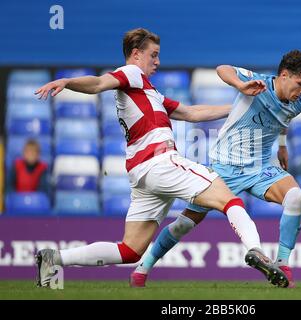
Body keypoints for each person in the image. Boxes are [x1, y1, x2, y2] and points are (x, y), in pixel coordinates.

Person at [34, 28, 288, 288]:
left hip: (142, 173)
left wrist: (239, 109)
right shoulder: (131, 73)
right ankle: (255, 250)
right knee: (229, 199)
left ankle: (54, 258)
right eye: (153, 55)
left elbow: (191, 112)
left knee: (130, 250)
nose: (157, 62)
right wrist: (67, 82)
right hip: (160, 162)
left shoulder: (147, 92)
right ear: (135, 54)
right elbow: (99, 83)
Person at [135, 50, 301, 288]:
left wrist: (282, 147)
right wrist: (240, 85)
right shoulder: (258, 84)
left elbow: (284, 119)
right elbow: (223, 68)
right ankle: (142, 268)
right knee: (184, 224)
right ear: (284, 75)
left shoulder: (298, 104)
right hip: (225, 167)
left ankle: (282, 266)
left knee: (295, 197)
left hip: (261, 168)